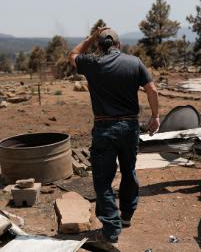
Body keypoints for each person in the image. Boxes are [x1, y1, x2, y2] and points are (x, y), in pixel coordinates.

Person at [69, 27, 160, 243]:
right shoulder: (134, 62)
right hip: (130, 127)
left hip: (104, 128)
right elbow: (153, 90)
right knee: (129, 171)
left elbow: (72, 55)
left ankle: (111, 230)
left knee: (103, 180)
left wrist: (90, 37)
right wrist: (155, 116)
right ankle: (126, 217)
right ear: (119, 45)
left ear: (99, 47)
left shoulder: (93, 63)